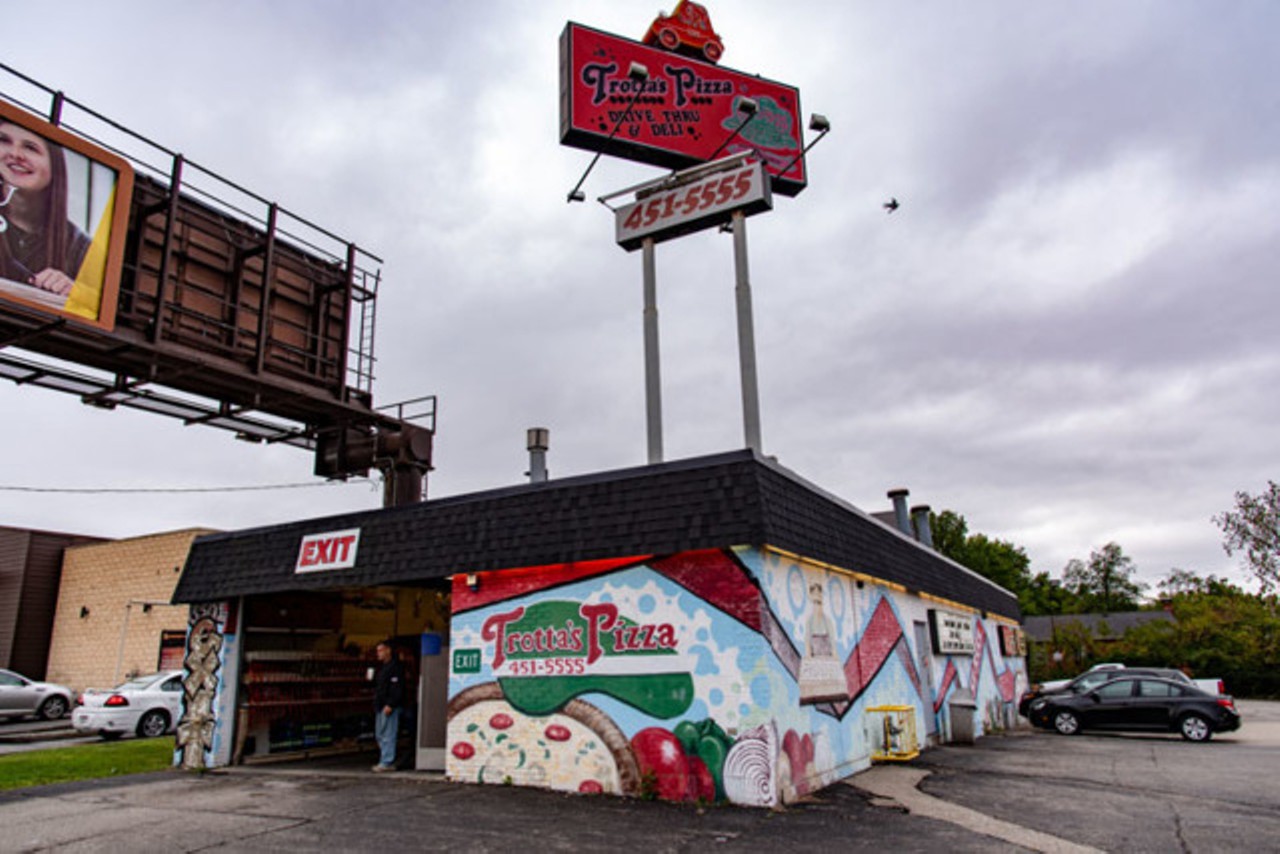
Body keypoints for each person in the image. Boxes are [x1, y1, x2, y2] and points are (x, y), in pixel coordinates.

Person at [0, 119, 91, 299]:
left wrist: (73, 293)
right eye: (4, 140)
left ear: (54, 166)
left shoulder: (82, 248)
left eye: (30, 148)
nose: (16, 154)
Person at [372, 640, 405, 772]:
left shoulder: (395, 668)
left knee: (388, 734)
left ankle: (387, 761)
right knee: (380, 734)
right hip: (380, 705)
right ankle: (384, 758)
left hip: (389, 706)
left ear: (388, 651)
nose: (378, 654)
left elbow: (397, 688)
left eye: (380, 651)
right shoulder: (382, 668)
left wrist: (391, 703)